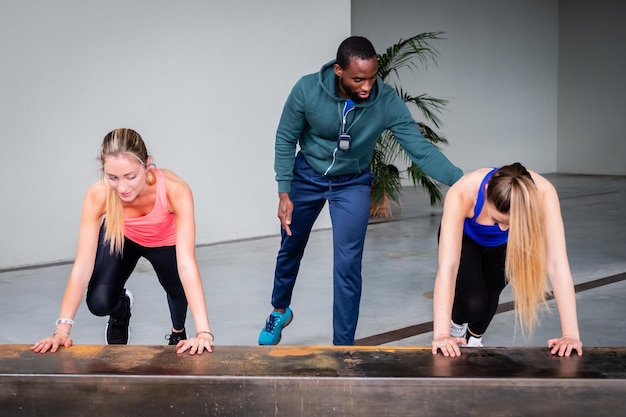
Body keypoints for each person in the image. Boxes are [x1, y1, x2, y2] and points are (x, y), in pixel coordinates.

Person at [258, 36, 463, 346]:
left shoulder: (386, 101)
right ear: (339, 70)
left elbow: (419, 149)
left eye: (371, 77)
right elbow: (286, 138)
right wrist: (284, 192)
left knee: (348, 263)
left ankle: (343, 347)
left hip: (352, 182)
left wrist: (462, 181)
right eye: (358, 79)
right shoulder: (307, 89)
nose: (367, 86)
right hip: (307, 176)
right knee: (291, 246)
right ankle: (279, 310)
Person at [31, 128, 213, 355]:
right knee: (98, 302)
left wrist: (203, 333)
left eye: (131, 176)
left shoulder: (175, 191)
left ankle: (177, 332)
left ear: (147, 164)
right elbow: (83, 266)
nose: (123, 188)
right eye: (113, 177)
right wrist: (61, 331)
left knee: (177, 292)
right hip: (122, 235)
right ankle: (121, 310)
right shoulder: (98, 194)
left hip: (164, 240)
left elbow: (186, 266)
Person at [431, 163, 583, 357]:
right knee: (473, 304)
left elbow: (557, 264)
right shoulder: (463, 192)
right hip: (466, 238)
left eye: (511, 223)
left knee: (491, 294)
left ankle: (474, 340)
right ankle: (456, 325)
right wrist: (442, 334)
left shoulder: (544, 193)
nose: (502, 229)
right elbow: (448, 268)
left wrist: (570, 334)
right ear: (486, 192)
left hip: (506, 245)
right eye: (497, 221)